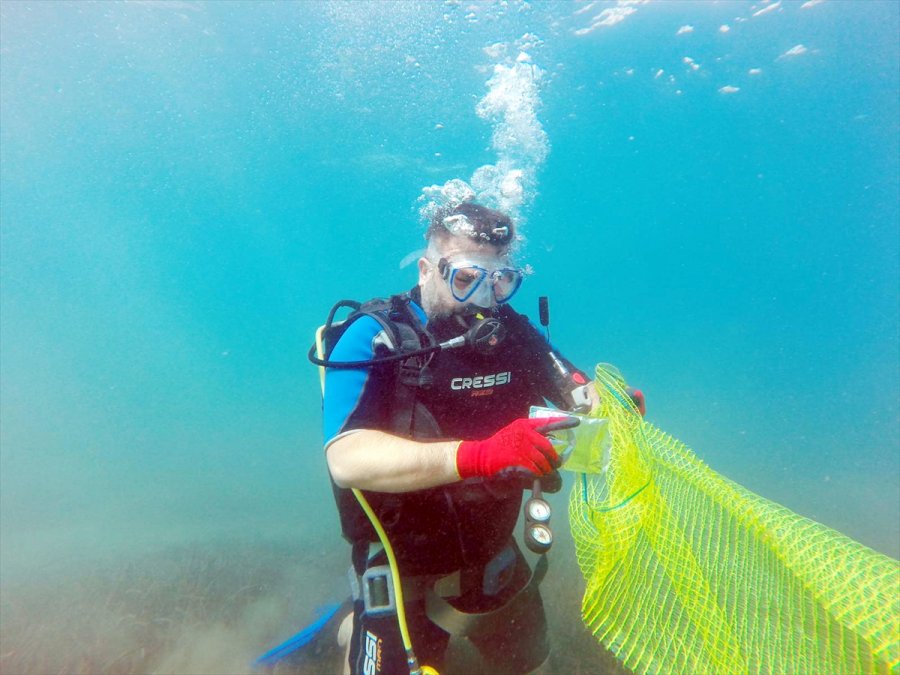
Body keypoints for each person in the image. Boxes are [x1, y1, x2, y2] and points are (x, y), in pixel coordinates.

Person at [321, 202, 636, 674]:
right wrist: (481, 455)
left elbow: (576, 394)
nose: (483, 300)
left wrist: (609, 403)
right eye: (466, 279)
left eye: (500, 281)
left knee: (536, 666)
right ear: (427, 270)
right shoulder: (376, 336)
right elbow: (346, 459)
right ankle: (352, 623)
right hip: (401, 563)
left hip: (492, 552)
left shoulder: (512, 332)